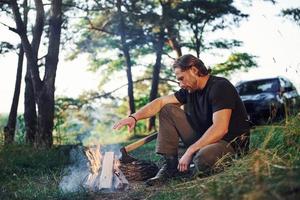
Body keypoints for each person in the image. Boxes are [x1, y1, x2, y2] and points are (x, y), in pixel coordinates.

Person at [113, 54, 250, 186]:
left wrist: (190, 150)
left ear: (194, 70)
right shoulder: (190, 90)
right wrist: (134, 117)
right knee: (167, 109)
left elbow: (220, 128)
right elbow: (160, 102)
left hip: (228, 143)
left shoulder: (220, 87)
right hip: (204, 138)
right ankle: (171, 167)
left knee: (203, 159)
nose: (180, 84)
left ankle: (192, 167)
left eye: (181, 78)